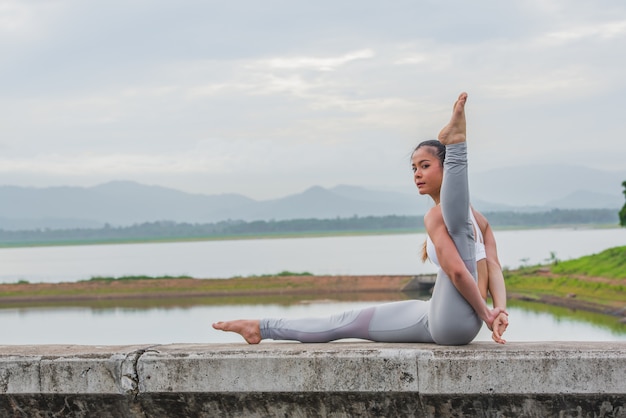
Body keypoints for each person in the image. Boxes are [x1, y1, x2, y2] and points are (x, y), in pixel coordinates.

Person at [213, 92, 509, 345]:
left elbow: (459, 273)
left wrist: (487, 314)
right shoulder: (478, 220)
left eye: (425, 165)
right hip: (440, 316)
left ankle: (457, 146)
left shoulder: (438, 217)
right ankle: (261, 327)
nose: (417, 173)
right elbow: (493, 267)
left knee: (456, 223)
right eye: (413, 168)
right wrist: (501, 310)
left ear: (444, 169)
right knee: (347, 320)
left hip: (458, 320)